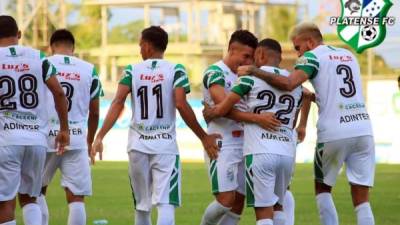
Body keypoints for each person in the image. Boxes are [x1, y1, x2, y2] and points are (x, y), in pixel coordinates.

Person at [238, 22, 376, 225]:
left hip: (334, 131)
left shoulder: (312, 57)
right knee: (362, 200)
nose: (298, 54)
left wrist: (254, 70)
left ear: (310, 42)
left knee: (322, 189)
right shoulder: (348, 55)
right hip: (364, 129)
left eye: (298, 48)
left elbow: (289, 83)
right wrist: (308, 110)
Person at [91, 26, 220, 225]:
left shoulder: (131, 71)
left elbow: (117, 102)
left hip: (137, 147)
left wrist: (100, 136)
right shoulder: (176, 70)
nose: (139, 49)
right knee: (165, 204)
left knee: (142, 206)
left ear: (149, 46)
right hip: (165, 147)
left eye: (141, 44)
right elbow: (180, 103)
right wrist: (203, 137)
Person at [200, 31, 281, 225]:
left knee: (238, 203)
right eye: (245, 56)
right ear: (231, 50)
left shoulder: (248, 74)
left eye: (251, 57)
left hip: (247, 143)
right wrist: (257, 118)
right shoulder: (215, 72)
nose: (248, 61)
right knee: (226, 200)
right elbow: (224, 108)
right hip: (223, 142)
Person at [0, 15, 69, 225]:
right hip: (36, 140)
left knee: (5, 203)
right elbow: (59, 93)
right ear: (19, 35)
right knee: (31, 198)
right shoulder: (39, 58)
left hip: (6, 139)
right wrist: (64, 129)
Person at [36, 29, 103, 225]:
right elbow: (96, 111)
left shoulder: (43, 63)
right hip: (76, 138)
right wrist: (90, 140)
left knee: (36, 192)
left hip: (46, 136)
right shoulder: (89, 69)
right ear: (73, 48)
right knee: (76, 197)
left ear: (51, 47)